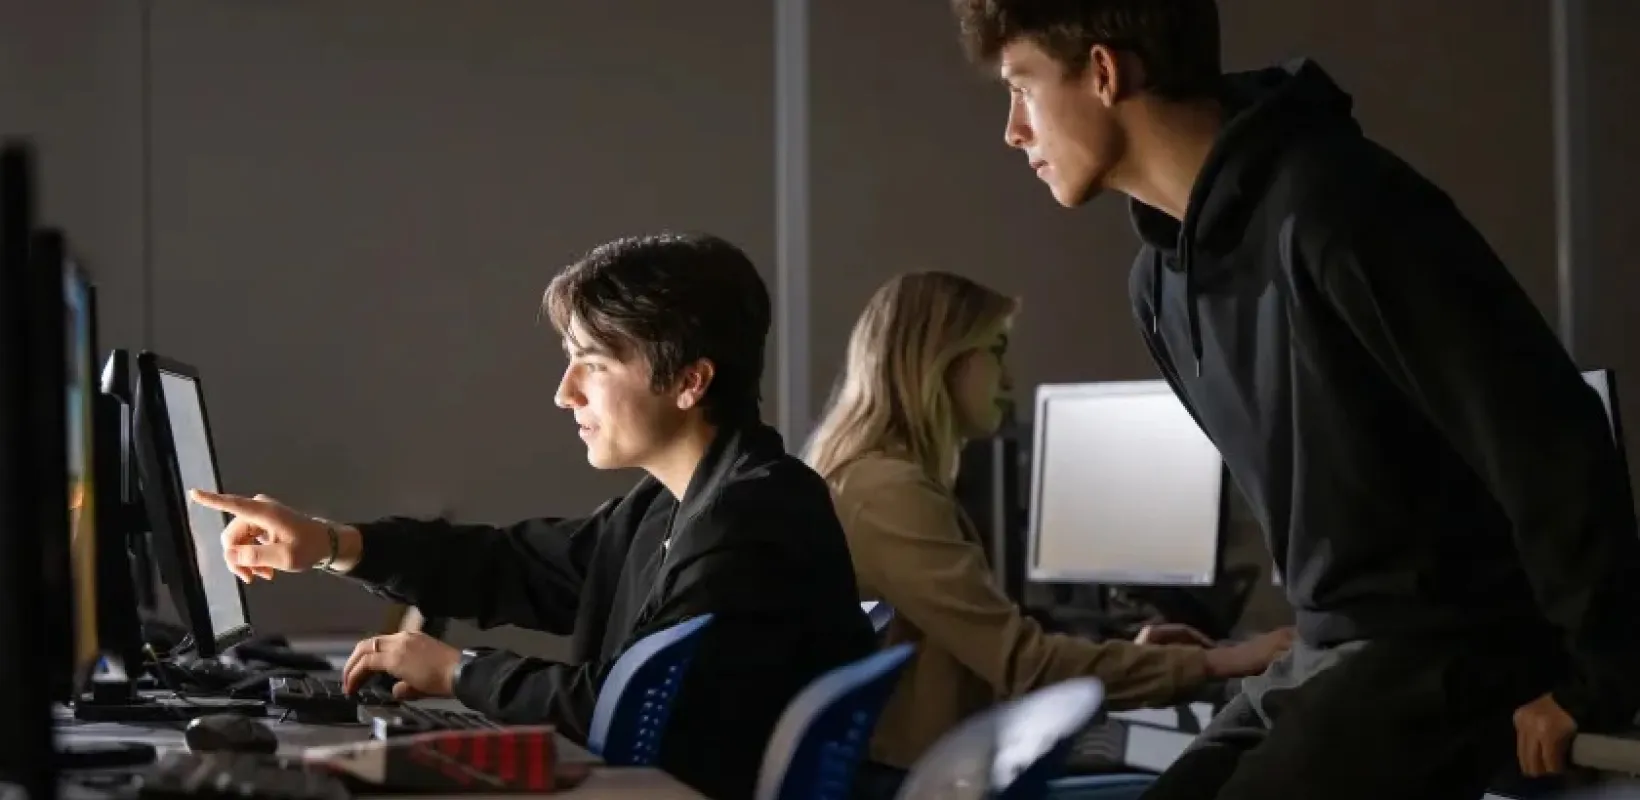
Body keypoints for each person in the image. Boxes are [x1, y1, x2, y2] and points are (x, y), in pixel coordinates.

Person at [949, 1, 1640, 797]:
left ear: (1104, 72)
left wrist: (1598, 676)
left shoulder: (1342, 208)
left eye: (1022, 88)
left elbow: (1548, 437)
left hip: (1450, 651)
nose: (1013, 130)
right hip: (1331, 651)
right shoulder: (1161, 286)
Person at [190, 232, 877, 800]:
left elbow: (620, 707)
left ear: (691, 381)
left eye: (592, 364)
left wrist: (458, 671)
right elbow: (513, 565)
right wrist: (329, 543)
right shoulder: (673, 503)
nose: (563, 393)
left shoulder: (754, 517)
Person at [803, 271, 1294, 791]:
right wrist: (1219, 662)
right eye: (996, 351)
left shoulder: (874, 480)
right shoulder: (889, 494)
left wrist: (1142, 656)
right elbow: (1022, 664)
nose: (1009, 380)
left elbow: (993, 664)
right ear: (941, 362)